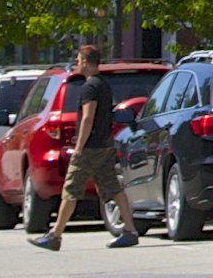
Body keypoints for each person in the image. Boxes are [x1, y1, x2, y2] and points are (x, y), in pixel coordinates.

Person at [30, 39, 137, 251]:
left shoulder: (90, 87)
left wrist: (79, 146)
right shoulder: (104, 85)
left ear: (86, 62)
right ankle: (130, 231)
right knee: (114, 188)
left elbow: (88, 117)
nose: (77, 64)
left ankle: (55, 236)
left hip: (89, 148)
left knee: (71, 190)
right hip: (104, 146)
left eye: (79, 60)